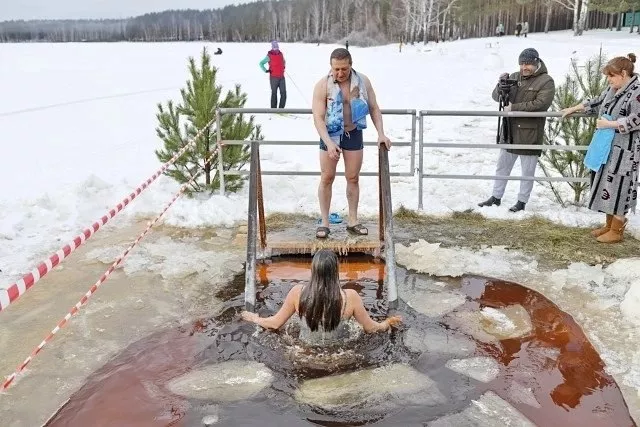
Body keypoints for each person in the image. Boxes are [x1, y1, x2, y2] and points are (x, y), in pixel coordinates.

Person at [311, 48, 391, 239]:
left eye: (344, 69)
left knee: (353, 178)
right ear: (331, 67)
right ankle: (324, 222)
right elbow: (318, 117)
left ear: (351, 66)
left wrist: (381, 133)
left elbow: (373, 107)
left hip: (353, 132)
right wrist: (328, 143)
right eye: (336, 69)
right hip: (329, 133)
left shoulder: (362, 82)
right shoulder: (323, 85)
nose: (339, 73)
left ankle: (353, 220)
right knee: (327, 177)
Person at [240, 249, 402, 344]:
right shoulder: (350, 297)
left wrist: (254, 318)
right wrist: (388, 322)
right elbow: (371, 328)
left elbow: (274, 324)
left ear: (314, 269)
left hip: (303, 353)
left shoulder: (298, 293)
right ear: (335, 271)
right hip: (339, 356)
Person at [561, 54, 640, 243]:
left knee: (621, 186)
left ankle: (617, 230)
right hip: (608, 148)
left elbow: (637, 119)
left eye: (611, 76)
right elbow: (597, 101)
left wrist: (610, 125)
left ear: (623, 73)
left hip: (626, 150)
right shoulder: (614, 88)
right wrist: (574, 108)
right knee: (608, 184)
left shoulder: (637, 92)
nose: (609, 80)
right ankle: (608, 225)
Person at [478, 48, 556, 212]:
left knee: (527, 171)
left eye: (527, 63)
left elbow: (541, 104)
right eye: (521, 64)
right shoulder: (514, 77)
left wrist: (514, 108)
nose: (524, 67)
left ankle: (521, 202)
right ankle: (496, 197)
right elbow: (496, 97)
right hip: (509, 131)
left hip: (530, 132)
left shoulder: (546, 81)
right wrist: (501, 84)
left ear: (536, 63)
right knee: (502, 166)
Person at [259, 40, 287, 108]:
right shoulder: (269, 56)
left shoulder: (281, 54)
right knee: (274, 93)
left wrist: (283, 66)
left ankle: (281, 109)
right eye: (274, 47)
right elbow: (261, 63)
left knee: (283, 94)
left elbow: (283, 61)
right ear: (272, 47)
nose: (276, 48)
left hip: (281, 77)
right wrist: (266, 70)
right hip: (274, 78)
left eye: (277, 47)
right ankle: (273, 109)